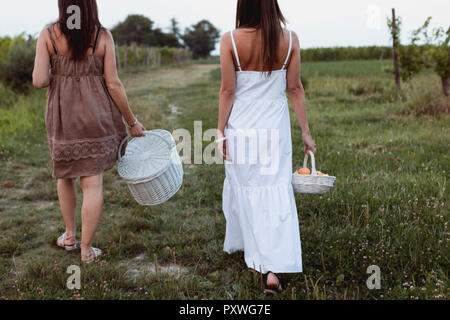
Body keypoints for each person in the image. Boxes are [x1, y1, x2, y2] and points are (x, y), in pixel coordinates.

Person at [32, 0, 145, 263]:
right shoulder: (102, 36)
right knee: (92, 183)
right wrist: (131, 121)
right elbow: (114, 84)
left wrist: (57, 71)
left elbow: (38, 81)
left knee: (65, 175)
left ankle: (69, 236)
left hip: (62, 118)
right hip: (97, 116)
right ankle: (86, 250)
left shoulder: (48, 35)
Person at [217, 0, 316, 294]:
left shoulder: (230, 40)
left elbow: (228, 90)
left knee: (246, 187)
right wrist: (305, 131)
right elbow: (295, 88)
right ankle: (273, 270)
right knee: (275, 190)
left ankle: (253, 249)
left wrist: (220, 131)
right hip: (275, 129)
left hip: (242, 129)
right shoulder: (290, 39)